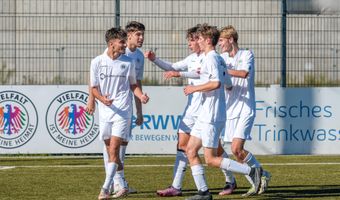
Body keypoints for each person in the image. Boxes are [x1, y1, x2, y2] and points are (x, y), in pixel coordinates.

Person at [183, 24, 262, 200]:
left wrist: (194, 89)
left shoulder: (212, 58)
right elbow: (227, 82)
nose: (198, 41)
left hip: (211, 115)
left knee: (210, 159)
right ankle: (203, 192)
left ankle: (252, 171)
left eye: (201, 39)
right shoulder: (216, 58)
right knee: (190, 150)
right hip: (207, 113)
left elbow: (217, 83)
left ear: (208, 40)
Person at [88, 21, 146, 197]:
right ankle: (119, 183)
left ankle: (106, 188)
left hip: (123, 110)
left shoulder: (128, 61)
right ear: (112, 42)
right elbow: (93, 87)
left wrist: (140, 96)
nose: (124, 45)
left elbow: (134, 84)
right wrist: (98, 100)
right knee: (110, 150)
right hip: (105, 111)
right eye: (122, 42)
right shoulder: (97, 62)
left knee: (115, 148)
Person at [218, 25, 271, 197]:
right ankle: (262, 176)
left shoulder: (247, 54)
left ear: (231, 39)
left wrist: (224, 71)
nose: (220, 44)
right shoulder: (222, 57)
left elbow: (243, 74)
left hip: (246, 108)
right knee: (236, 152)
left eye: (221, 41)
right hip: (229, 110)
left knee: (236, 148)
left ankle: (257, 179)